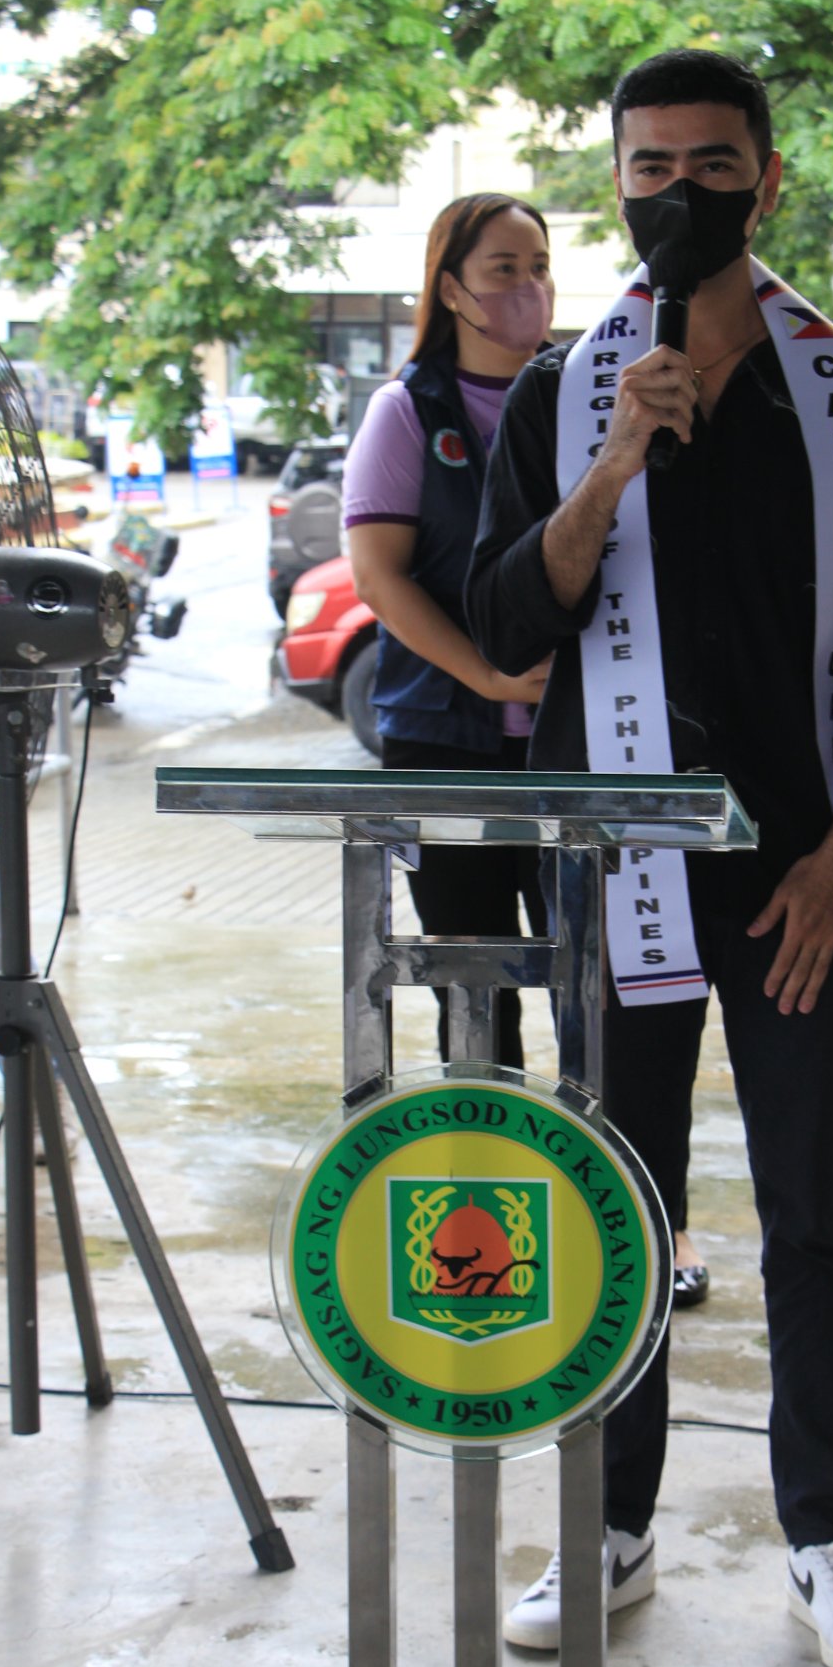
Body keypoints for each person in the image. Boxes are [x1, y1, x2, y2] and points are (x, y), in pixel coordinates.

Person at [465, 50, 833, 1667]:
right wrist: (611, 462)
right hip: (617, 870)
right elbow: (510, 623)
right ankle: (609, 1524)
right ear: (616, 181)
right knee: (619, 1209)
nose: (682, 192)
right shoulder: (563, 389)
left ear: (770, 175)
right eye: (650, 166)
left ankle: (826, 1535)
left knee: (813, 1203)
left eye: (714, 161)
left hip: (807, 872)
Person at [343, 193, 557, 1071]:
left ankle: (607, 1191)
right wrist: (486, 676)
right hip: (445, 741)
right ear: (452, 289)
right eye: (502, 270)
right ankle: (480, 1176)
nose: (526, 289)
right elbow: (377, 576)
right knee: (474, 987)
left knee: (602, 980)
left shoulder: (585, 394)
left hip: (572, 744)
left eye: (538, 268)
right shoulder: (408, 411)